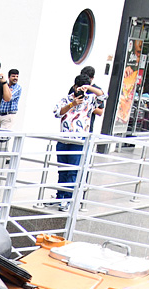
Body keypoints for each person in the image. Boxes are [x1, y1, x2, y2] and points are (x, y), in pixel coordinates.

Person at [52, 73, 104, 209]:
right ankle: (60, 196)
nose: (82, 91)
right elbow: (57, 113)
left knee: (73, 171)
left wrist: (90, 88)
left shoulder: (90, 100)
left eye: (84, 88)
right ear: (74, 86)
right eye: (79, 87)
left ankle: (68, 200)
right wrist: (72, 104)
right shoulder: (66, 99)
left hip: (79, 142)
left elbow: (103, 96)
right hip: (63, 140)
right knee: (62, 169)